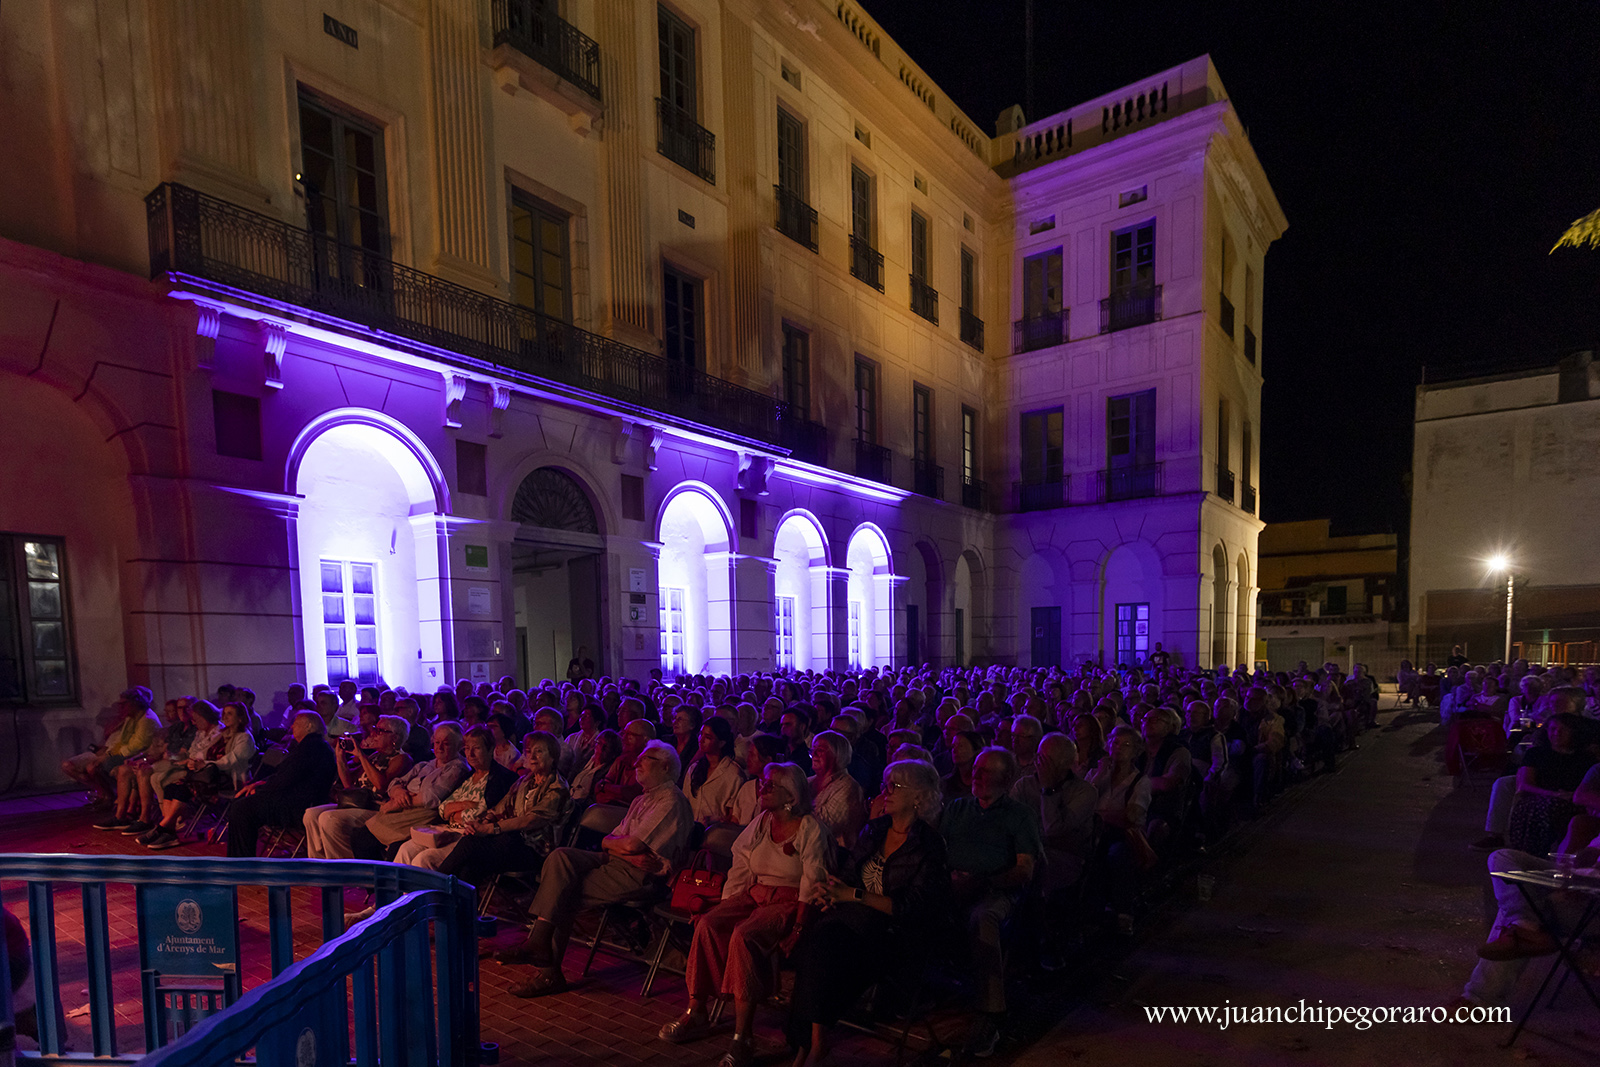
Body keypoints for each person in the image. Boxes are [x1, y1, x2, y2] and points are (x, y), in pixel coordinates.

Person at [659, 763, 831, 1067]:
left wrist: (800, 927)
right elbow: (741, 861)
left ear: (790, 795)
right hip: (755, 894)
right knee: (709, 924)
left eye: (770, 786)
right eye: (763, 783)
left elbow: (812, 879)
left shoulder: (808, 828)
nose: (761, 789)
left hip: (789, 902)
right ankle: (697, 1010)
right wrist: (726, 904)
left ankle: (743, 1036)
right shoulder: (763, 821)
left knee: (743, 935)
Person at [495, 739, 694, 998]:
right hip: (617, 862)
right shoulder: (642, 800)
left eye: (645, 758)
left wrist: (623, 849)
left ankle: (547, 969)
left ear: (665, 766)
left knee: (562, 891)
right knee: (560, 857)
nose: (636, 762)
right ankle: (540, 944)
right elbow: (608, 840)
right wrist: (622, 849)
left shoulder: (670, 801)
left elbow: (633, 844)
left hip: (640, 876)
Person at [787, 760, 951, 1066]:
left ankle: (807, 1048)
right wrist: (832, 892)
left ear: (918, 797)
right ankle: (811, 1046)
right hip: (852, 925)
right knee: (816, 946)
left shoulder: (930, 846)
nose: (884, 792)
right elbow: (850, 876)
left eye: (894, 787)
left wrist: (854, 896)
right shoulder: (875, 830)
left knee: (822, 949)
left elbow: (912, 908)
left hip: (896, 936)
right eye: (885, 784)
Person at [938, 747, 1042, 1057]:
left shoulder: (1019, 815)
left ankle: (990, 1013)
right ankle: (900, 989)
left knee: (983, 918)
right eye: (976, 769)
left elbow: (1024, 869)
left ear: (1007, 778)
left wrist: (983, 880)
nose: (976, 775)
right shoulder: (957, 808)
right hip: (952, 886)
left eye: (986, 771)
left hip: (996, 890)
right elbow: (936, 852)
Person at [436, 731, 572, 881]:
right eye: (528, 752)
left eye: (538, 752)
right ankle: (455, 902)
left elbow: (529, 820)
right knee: (468, 867)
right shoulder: (524, 781)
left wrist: (489, 828)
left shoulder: (557, 788)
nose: (531, 757)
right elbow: (498, 809)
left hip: (535, 850)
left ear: (553, 756)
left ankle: (430, 887)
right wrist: (481, 823)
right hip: (512, 841)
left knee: (470, 844)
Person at [322, 723, 467, 860]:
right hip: (399, 809)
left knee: (363, 838)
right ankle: (364, 880)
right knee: (359, 836)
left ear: (459, 746)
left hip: (419, 815)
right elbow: (394, 784)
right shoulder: (425, 764)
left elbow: (429, 797)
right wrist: (398, 791)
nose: (440, 747)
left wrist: (396, 803)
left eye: (446, 744)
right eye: (437, 742)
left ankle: (374, 882)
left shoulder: (456, 767)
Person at [394, 726, 517, 868]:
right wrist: (464, 805)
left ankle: (425, 891)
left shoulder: (500, 778)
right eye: (466, 748)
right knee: (405, 849)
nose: (470, 754)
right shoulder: (468, 776)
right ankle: (398, 890)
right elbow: (442, 809)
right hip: (447, 830)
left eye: (476, 748)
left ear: (490, 749)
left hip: (469, 836)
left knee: (424, 859)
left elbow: (479, 814)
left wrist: (453, 813)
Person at [142, 701, 257, 849]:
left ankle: (163, 828)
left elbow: (229, 761)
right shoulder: (223, 735)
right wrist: (195, 762)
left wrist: (205, 764)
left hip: (230, 780)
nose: (225, 717)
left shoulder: (244, 738)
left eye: (230, 714)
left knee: (184, 788)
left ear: (240, 718)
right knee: (172, 787)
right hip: (212, 776)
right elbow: (205, 752)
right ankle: (169, 831)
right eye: (224, 713)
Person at [225, 711, 337, 857]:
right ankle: (239, 860)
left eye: (296, 724)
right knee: (242, 804)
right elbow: (286, 776)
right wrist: (261, 784)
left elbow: (286, 779)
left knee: (242, 808)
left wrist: (259, 789)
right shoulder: (314, 745)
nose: (292, 726)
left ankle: (241, 861)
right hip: (295, 799)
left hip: (298, 805)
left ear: (308, 726)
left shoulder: (311, 747)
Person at [303, 713, 413, 858]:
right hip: (357, 804)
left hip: (376, 808)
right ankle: (319, 861)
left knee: (330, 819)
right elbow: (348, 784)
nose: (373, 734)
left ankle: (344, 867)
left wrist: (361, 755)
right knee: (310, 814)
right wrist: (340, 757)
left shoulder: (402, 759)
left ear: (395, 737)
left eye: (380, 731)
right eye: (375, 729)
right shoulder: (374, 756)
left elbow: (381, 785)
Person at [64, 687, 159, 802]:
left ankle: (110, 797)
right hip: (125, 752)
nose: (121, 708)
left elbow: (136, 746)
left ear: (135, 703)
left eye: (125, 704)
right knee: (90, 765)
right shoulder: (131, 718)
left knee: (94, 767)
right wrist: (108, 753)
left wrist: (108, 755)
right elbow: (122, 740)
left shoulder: (147, 720)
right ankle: (104, 795)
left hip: (137, 755)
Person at [808, 731, 866, 849]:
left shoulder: (848, 787)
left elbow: (825, 825)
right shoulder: (807, 781)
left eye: (820, 750)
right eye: (813, 749)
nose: (814, 754)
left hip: (832, 853)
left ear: (838, 754)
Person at [683, 717, 745, 825]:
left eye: (708, 737)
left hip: (715, 833)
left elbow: (734, 814)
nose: (701, 740)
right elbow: (684, 802)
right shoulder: (694, 768)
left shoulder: (734, 774)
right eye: (701, 734)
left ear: (721, 743)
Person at [729, 735, 786, 825]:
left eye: (752, 755)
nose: (748, 759)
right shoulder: (747, 788)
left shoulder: (780, 791)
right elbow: (735, 819)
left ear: (768, 760)